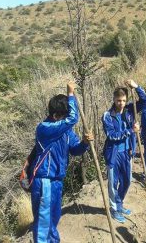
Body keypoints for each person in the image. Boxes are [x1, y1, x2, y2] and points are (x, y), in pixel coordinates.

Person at [30, 82, 93, 242]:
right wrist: (71, 94)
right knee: (43, 226)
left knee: (53, 220)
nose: (67, 119)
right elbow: (73, 118)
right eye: (64, 116)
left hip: (57, 182)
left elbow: (75, 150)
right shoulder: (45, 128)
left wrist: (85, 143)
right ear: (57, 116)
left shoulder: (66, 131)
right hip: (45, 181)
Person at [102, 87, 140, 223]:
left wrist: (136, 87)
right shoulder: (107, 115)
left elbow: (145, 102)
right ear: (114, 99)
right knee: (113, 183)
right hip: (113, 154)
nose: (121, 103)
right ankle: (114, 209)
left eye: (124, 100)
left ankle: (119, 203)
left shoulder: (129, 113)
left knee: (127, 181)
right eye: (119, 100)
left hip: (126, 153)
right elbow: (111, 136)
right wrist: (131, 131)